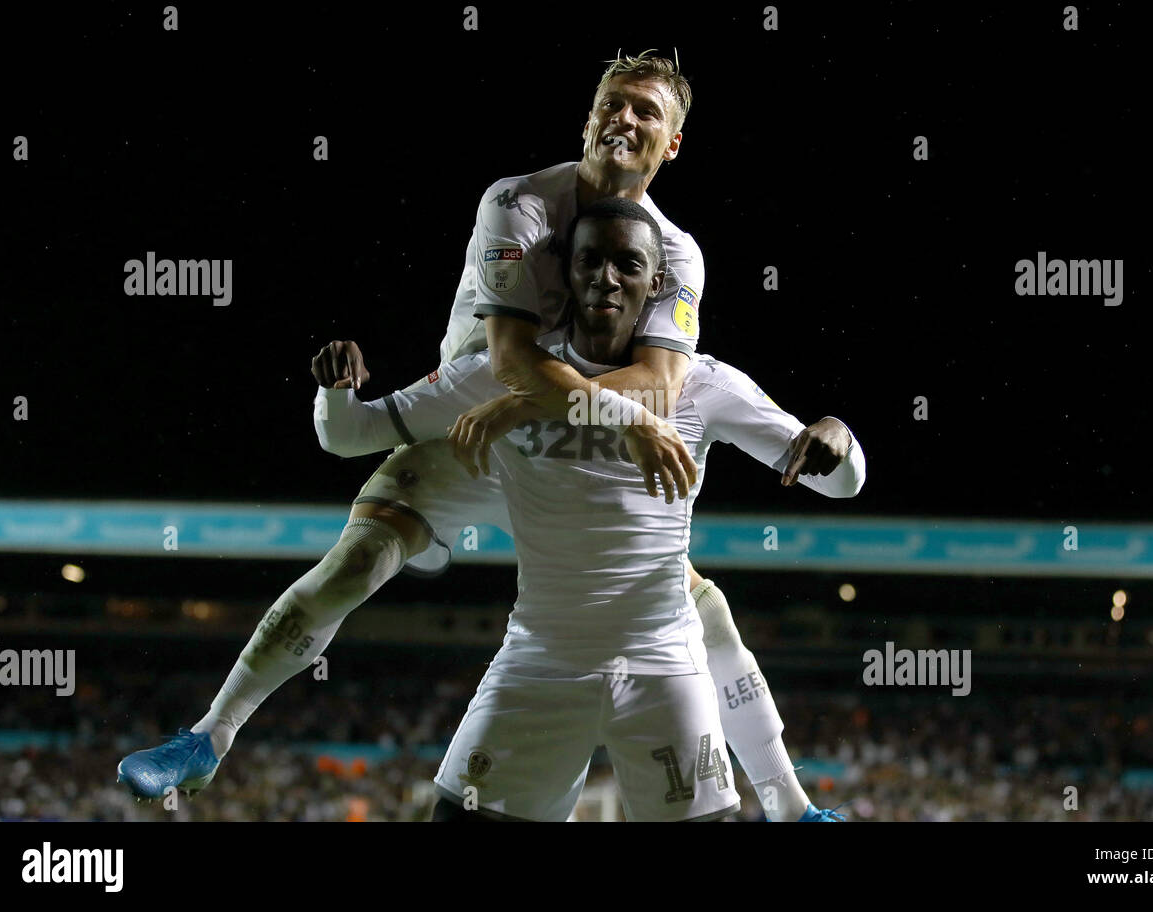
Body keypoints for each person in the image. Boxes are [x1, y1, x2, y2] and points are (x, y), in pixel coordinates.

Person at [118, 52, 834, 821]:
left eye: (645, 112)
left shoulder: (677, 251)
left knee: (700, 612)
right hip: (470, 430)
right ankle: (207, 738)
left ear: (673, 145)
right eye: (612, 104)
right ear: (588, 118)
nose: (625, 120)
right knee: (358, 558)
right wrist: (578, 410)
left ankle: (794, 809)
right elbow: (512, 362)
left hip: (559, 447)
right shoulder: (520, 203)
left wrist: (557, 409)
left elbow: (659, 382)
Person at [313, 198, 865, 820]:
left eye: (628, 264)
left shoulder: (701, 385)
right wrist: (334, 392)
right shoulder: (501, 376)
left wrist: (838, 435)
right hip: (540, 659)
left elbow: (839, 481)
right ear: (566, 273)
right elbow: (351, 435)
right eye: (590, 261)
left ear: (656, 283)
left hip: (665, 664)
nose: (607, 277)